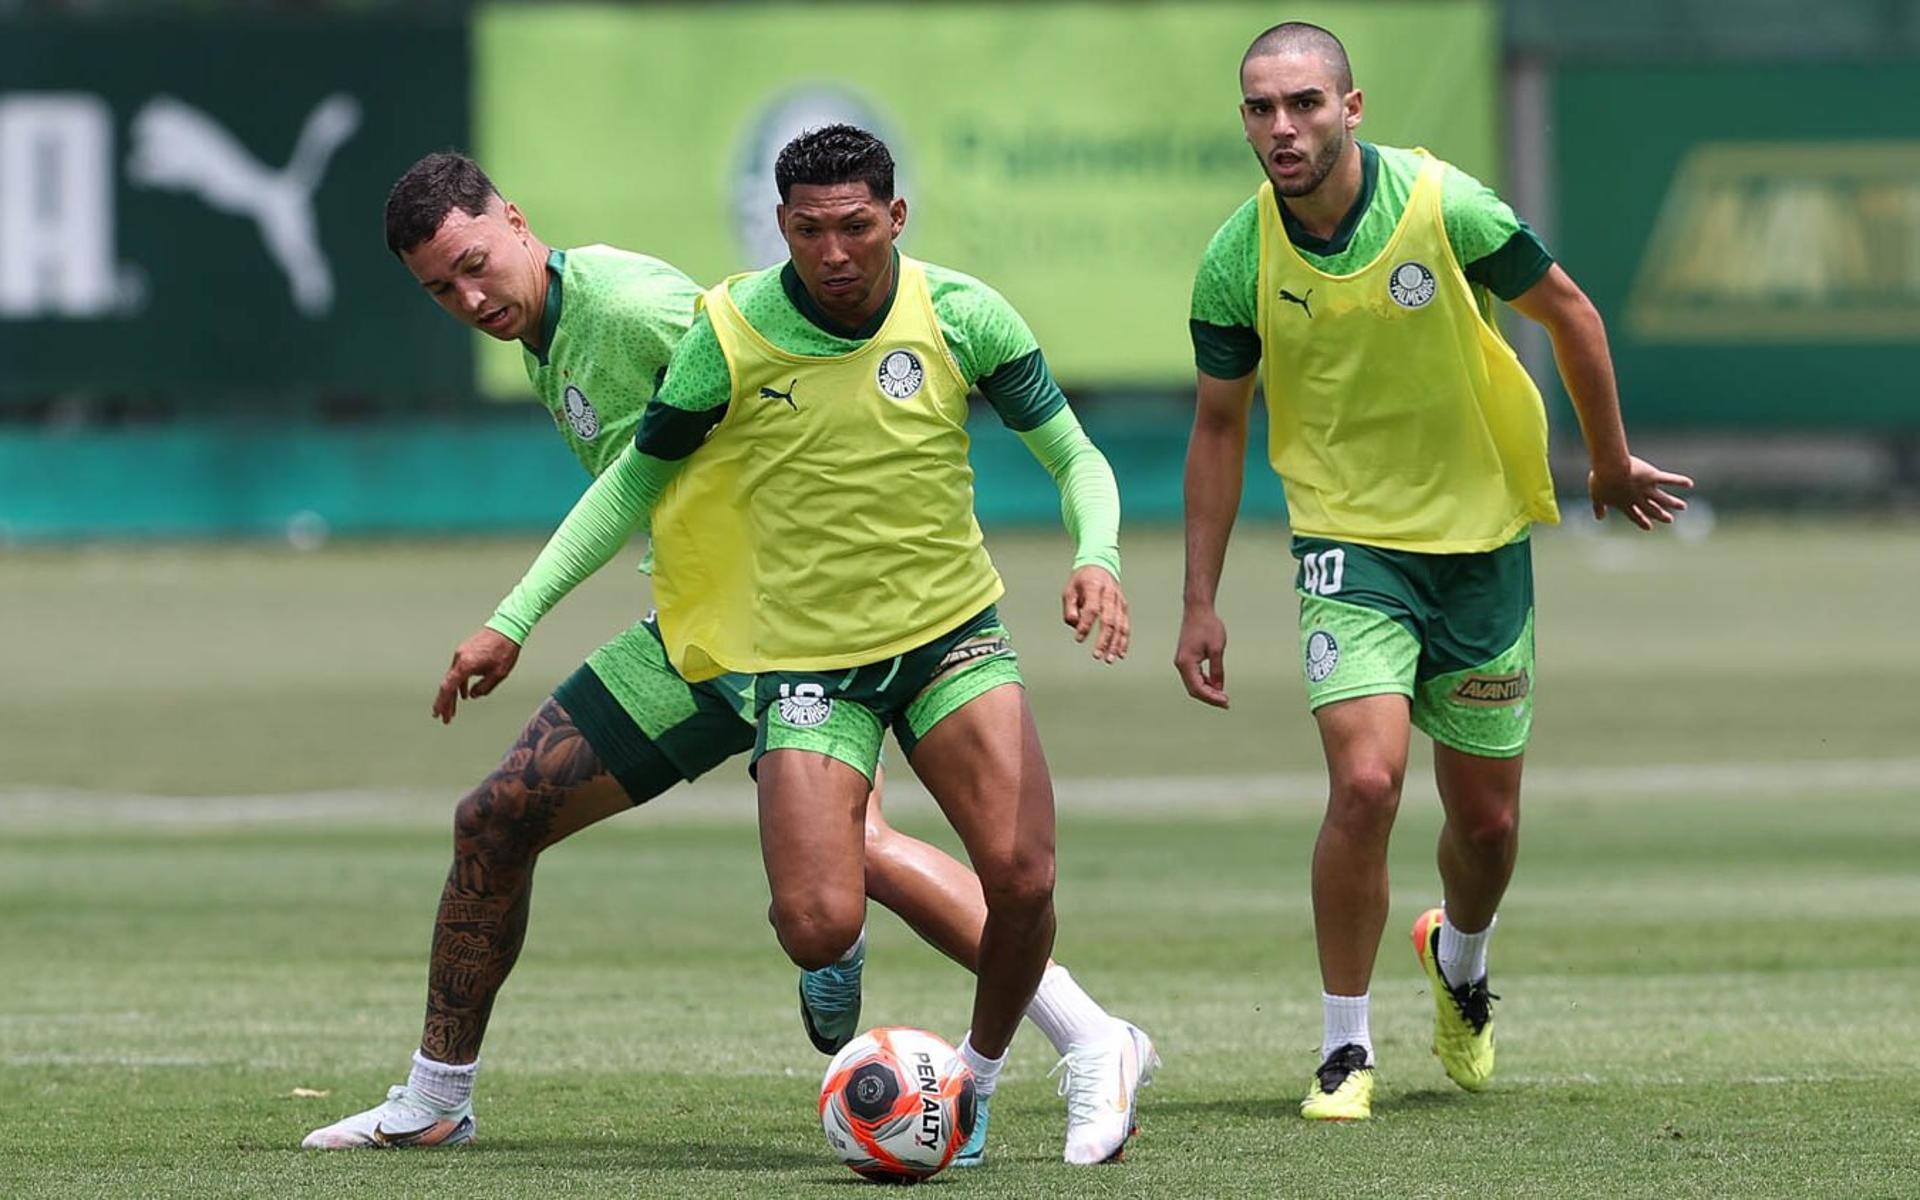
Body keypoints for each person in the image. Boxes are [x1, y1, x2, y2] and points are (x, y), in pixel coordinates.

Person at [303, 151, 1150, 1165]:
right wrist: (517, 617)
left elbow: (752, 361)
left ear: (517, 222)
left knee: (874, 854)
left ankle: (1079, 1037)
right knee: (500, 815)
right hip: (697, 632)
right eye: (442, 288)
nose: (469, 296)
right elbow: (650, 472)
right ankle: (437, 1097)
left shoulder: (631, 310)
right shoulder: (547, 328)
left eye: (476, 264)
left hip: (776, 631)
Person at [1175, 24, 1692, 1122]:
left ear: (1352, 108)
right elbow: (1219, 428)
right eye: (1262, 109)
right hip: (1347, 544)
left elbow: (1573, 315)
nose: (1283, 128)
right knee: (1365, 785)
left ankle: (1460, 959)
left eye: (1304, 104)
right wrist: (1199, 600)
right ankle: (1344, 1048)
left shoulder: (1445, 206)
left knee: (1488, 826)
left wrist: (1604, 462)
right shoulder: (1236, 258)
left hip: (1483, 539)